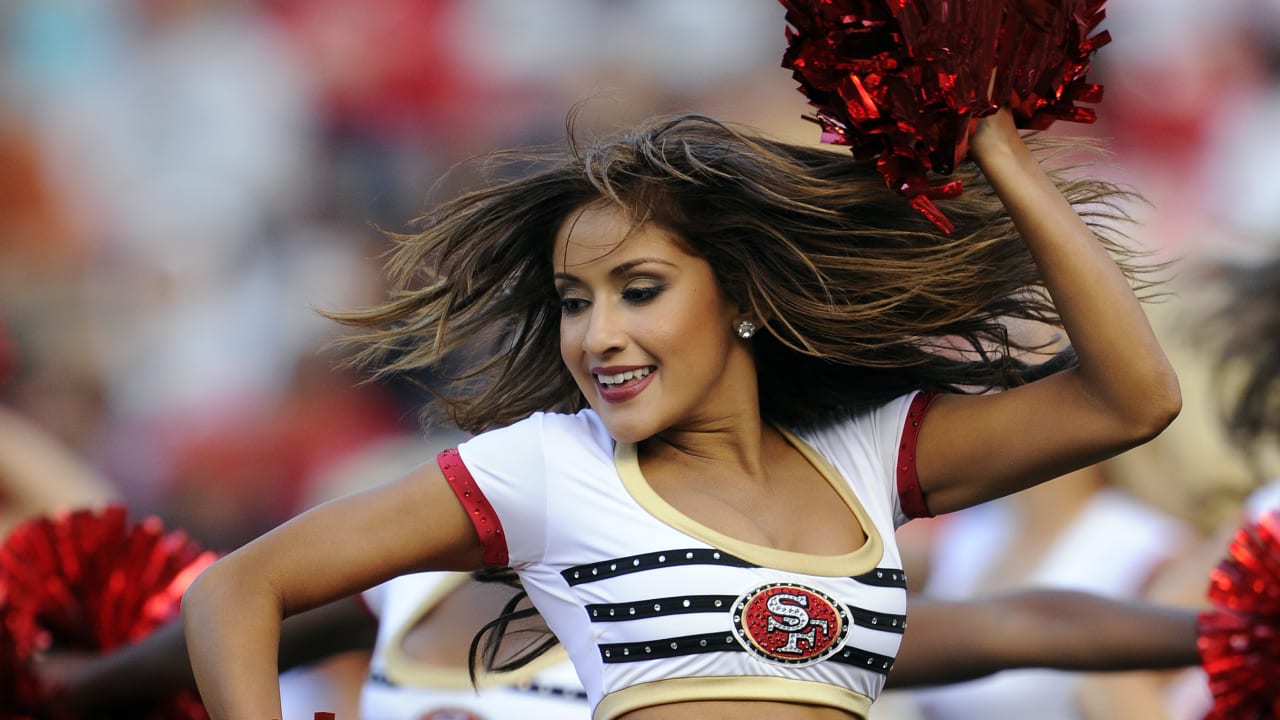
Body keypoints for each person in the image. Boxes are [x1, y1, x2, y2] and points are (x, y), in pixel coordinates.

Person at [180, 107, 1181, 720]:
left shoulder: (865, 455)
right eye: (575, 302)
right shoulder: (544, 467)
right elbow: (234, 592)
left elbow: (1131, 400)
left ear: (739, 298)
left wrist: (1002, 158)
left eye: (638, 289)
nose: (595, 335)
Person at [29, 569, 1204, 719]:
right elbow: (179, 640)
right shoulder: (404, 584)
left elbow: (1013, 625)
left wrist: (1230, 631)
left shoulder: (696, 617)